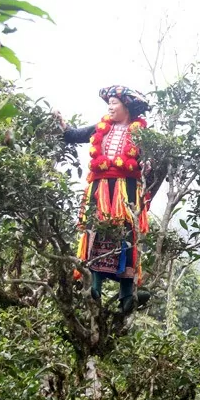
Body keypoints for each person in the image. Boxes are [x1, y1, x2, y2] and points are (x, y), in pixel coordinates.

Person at [58, 85, 151, 313]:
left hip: (127, 189)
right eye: (108, 103)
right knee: (95, 231)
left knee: (126, 233)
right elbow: (72, 136)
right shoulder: (101, 128)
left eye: (114, 103)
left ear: (126, 106)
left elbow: (152, 161)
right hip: (100, 188)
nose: (110, 107)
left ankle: (127, 293)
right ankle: (94, 287)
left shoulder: (140, 132)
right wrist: (61, 124)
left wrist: (148, 165)